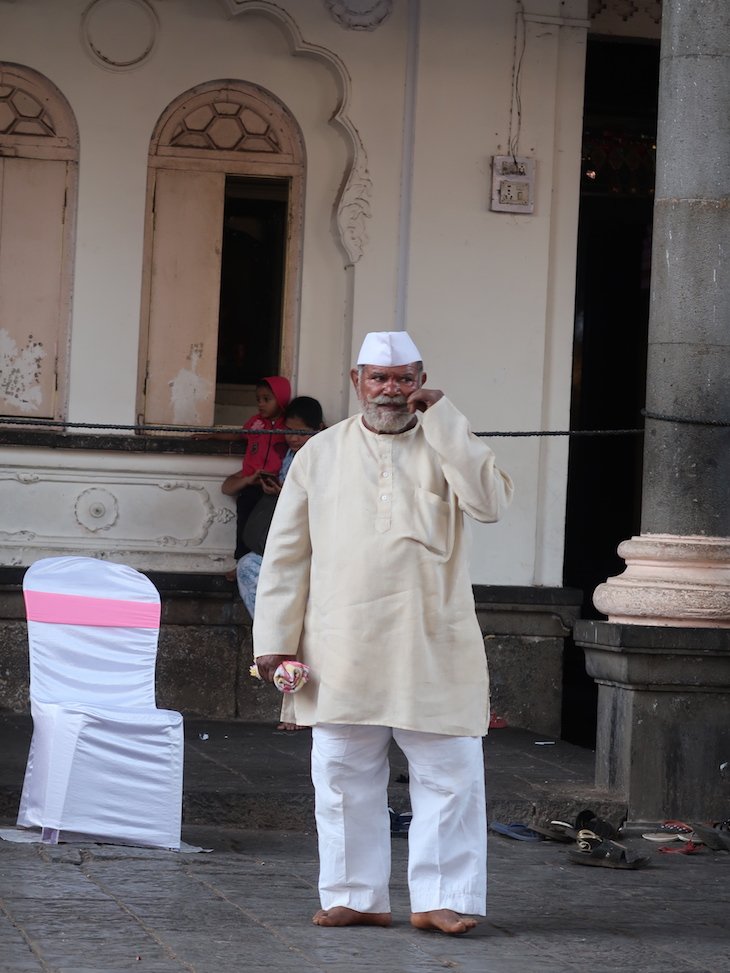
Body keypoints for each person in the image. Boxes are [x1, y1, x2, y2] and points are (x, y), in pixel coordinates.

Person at [252, 331, 513, 935]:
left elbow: (489, 503)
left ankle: (441, 898)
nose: (391, 390)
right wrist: (275, 639)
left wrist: (445, 421)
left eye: (403, 378)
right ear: (356, 381)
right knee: (342, 772)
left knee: (449, 772)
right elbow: (286, 555)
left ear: (420, 380)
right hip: (342, 639)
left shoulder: (447, 442)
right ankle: (356, 894)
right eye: (379, 378)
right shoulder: (320, 452)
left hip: (431, 639)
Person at [236, 396, 325, 730]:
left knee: (309, 633)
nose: (293, 438)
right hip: (290, 551)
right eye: (288, 431)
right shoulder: (287, 455)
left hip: (319, 552)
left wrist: (289, 491)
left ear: (318, 430)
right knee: (249, 567)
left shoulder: (326, 454)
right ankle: (273, 639)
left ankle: (302, 713)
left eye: (300, 432)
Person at [220, 376, 291, 571]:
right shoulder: (255, 423)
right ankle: (241, 563)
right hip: (252, 483)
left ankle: (266, 565)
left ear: (281, 398)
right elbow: (237, 435)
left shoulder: (289, 425)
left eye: (267, 399)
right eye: (258, 399)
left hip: (274, 486)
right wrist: (210, 435)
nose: (261, 404)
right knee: (245, 522)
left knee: (269, 528)